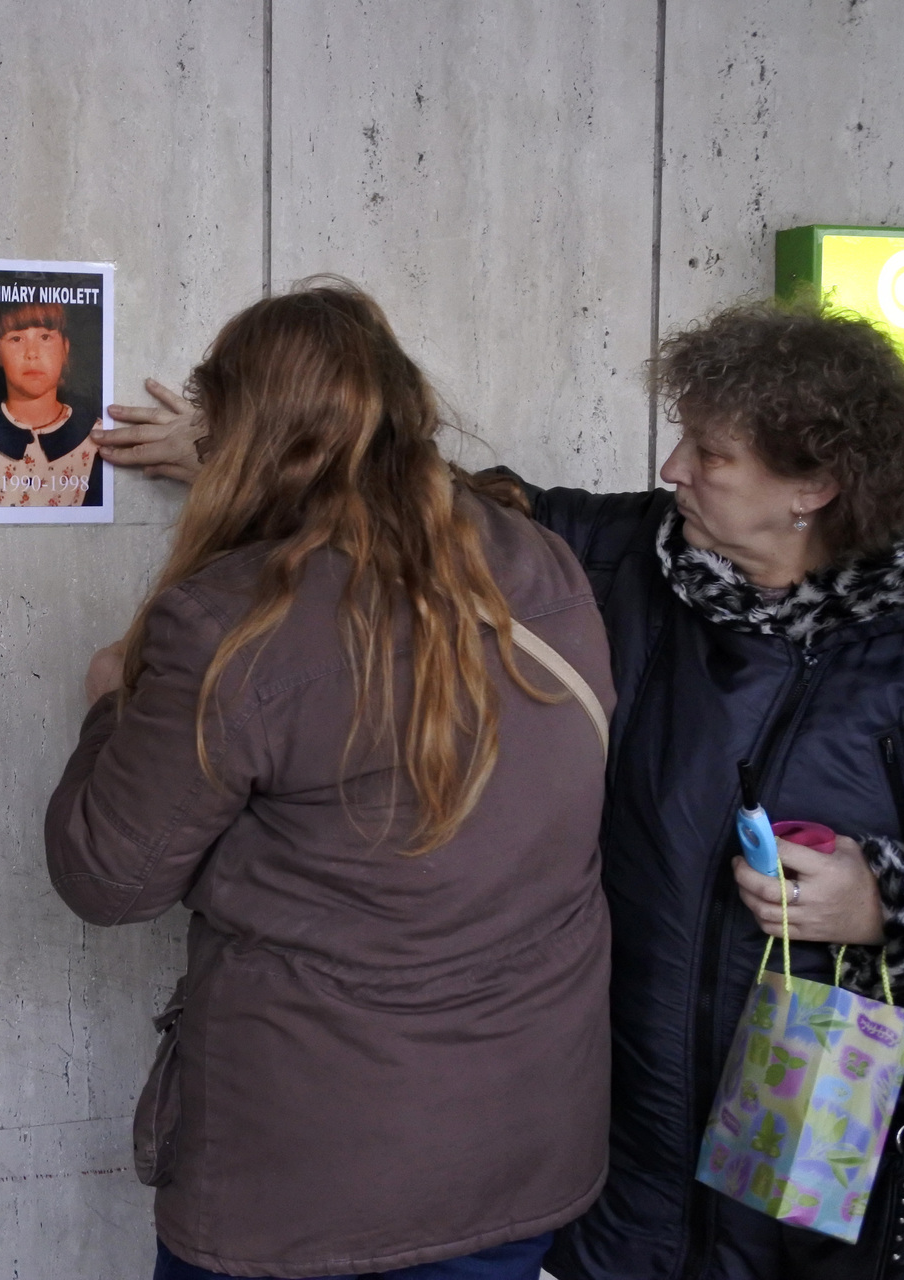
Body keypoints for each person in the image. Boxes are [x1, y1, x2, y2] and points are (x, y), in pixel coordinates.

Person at [100, 300, 904, 1278]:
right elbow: (416, 497)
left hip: (817, 1115)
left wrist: (893, 900)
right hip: (614, 1120)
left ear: (815, 487)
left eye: (711, 454)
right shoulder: (626, 558)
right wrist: (250, 448)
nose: (672, 467)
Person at [45, 281, 614, 1280]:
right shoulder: (541, 566)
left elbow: (110, 877)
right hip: (518, 1153)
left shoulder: (228, 626)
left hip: (308, 1184)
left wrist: (107, 706)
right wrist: (249, 457)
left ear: (245, 432)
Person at [0, 300, 104, 506]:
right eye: (16, 338)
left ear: (65, 347)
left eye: (45, 337)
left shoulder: (98, 437)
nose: (32, 353)